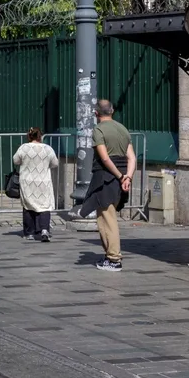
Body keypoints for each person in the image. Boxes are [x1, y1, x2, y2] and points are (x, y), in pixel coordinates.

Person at [81, 99, 135, 271]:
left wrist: (119, 176)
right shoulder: (122, 129)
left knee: (107, 219)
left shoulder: (98, 130)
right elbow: (132, 157)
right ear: (112, 111)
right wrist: (127, 178)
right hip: (122, 178)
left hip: (106, 178)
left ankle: (113, 259)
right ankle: (110, 256)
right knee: (108, 217)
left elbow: (104, 158)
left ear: (96, 113)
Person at [12, 127, 58, 242]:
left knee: (28, 205)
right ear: (40, 136)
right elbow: (55, 163)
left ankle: (29, 233)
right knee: (44, 205)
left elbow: (16, 160)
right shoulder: (48, 149)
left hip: (27, 181)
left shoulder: (24, 148)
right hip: (43, 181)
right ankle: (44, 230)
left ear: (29, 136)